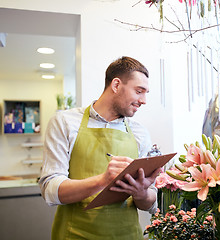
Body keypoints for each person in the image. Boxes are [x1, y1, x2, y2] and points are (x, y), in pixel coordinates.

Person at [39, 56, 160, 240]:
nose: (143, 100)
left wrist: (141, 192)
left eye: (146, 93)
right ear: (116, 85)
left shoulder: (140, 133)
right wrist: (103, 180)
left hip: (127, 235)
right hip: (74, 234)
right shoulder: (64, 122)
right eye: (139, 91)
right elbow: (50, 190)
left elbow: (151, 204)